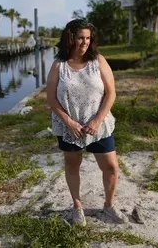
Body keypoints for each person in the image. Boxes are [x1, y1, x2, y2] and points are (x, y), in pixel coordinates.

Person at [46, 18, 128, 226]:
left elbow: (111, 93)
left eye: (88, 38)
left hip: (98, 125)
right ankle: (77, 207)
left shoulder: (97, 60)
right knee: (73, 164)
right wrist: (69, 123)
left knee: (111, 167)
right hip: (70, 127)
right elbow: (51, 99)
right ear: (70, 38)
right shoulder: (59, 65)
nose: (85, 42)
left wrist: (98, 120)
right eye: (80, 38)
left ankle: (109, 206)